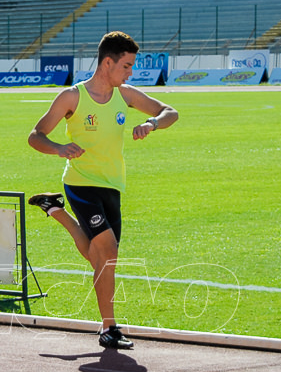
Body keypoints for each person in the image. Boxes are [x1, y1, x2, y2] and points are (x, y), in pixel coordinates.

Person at [27, 31, 178, 350]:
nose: (130, 72)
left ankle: (55, 212)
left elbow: (169, 112)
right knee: (107, 253)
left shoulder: (125, 94)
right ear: (107, 62)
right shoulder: (72, 97)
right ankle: (109, 328)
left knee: (100, 257)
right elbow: (36, 135)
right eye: (126, 66)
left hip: (113, 185)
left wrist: (151, 124)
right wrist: (58, 148)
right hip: (81, 183)